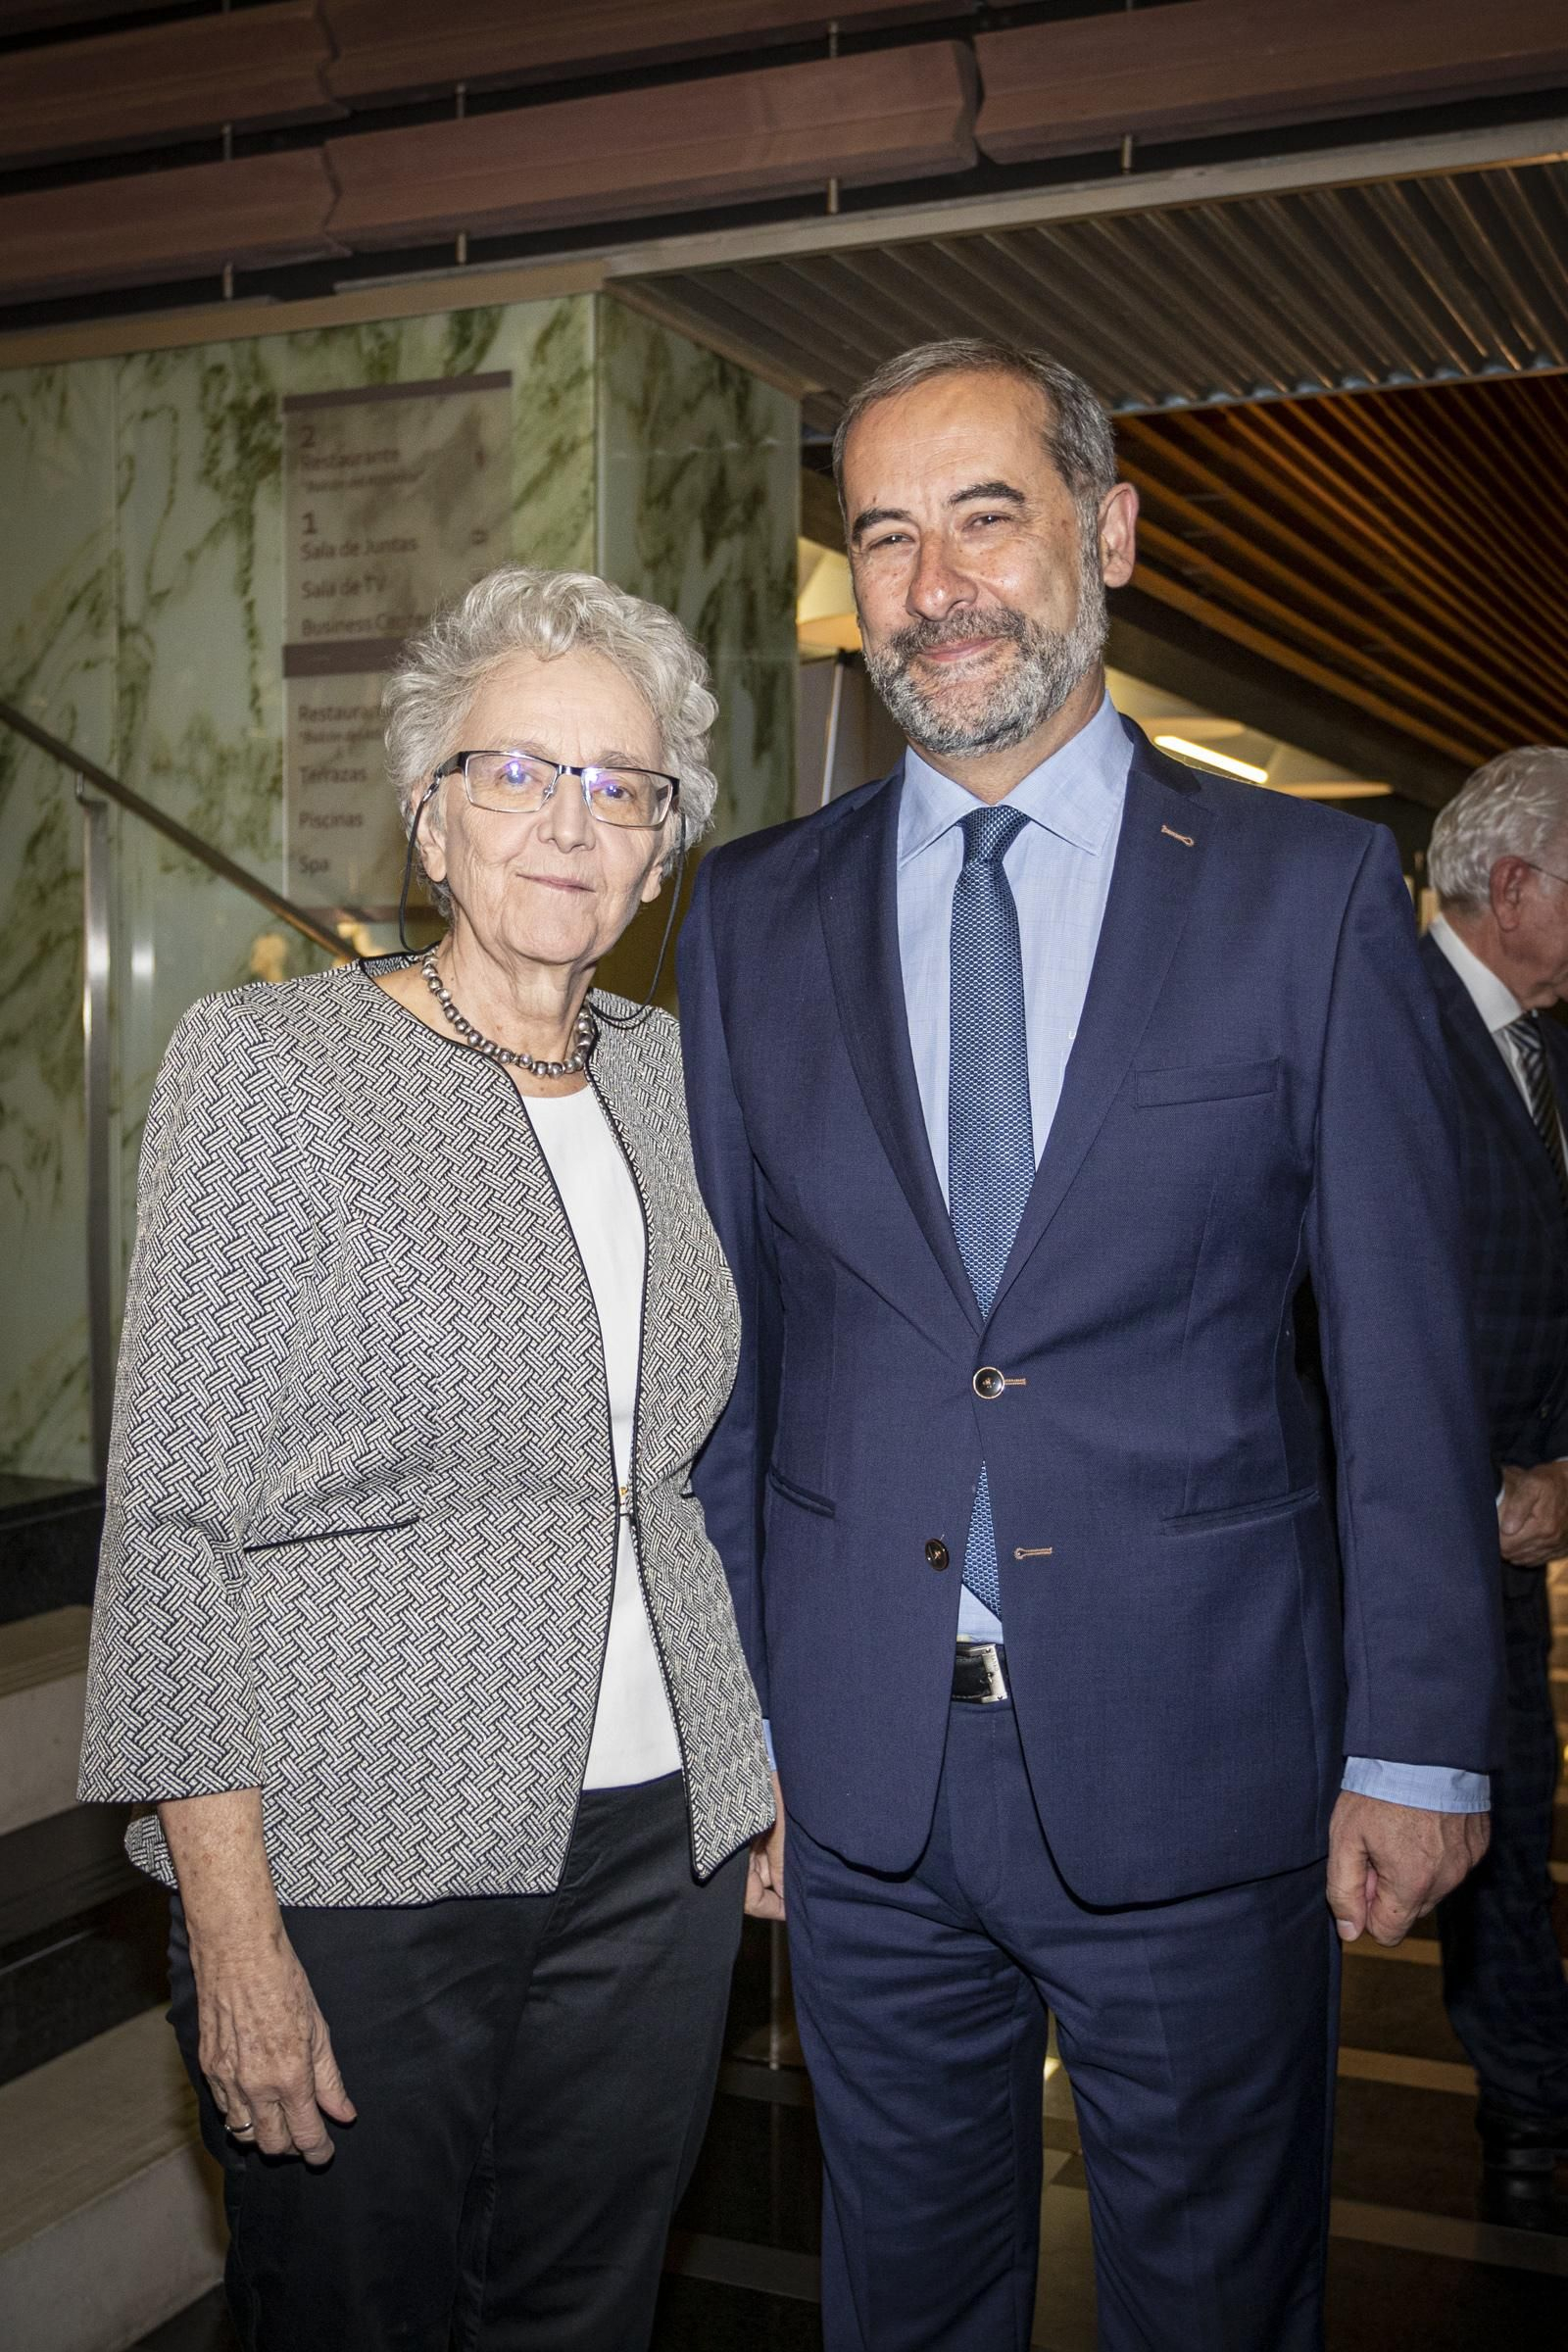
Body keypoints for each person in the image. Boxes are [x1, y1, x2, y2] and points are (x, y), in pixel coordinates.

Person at [678, 339, 1502, 2350]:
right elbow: (719, 1365)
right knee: (902, 2302)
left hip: (1202, 1764)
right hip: (856, 1779)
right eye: (883, 534)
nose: (935, 582)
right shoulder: (741, 916)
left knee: (1215, 2303)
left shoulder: (1302, 898)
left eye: (986, 515)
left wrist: (1418, 1740)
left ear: (1106, 532)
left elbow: (1405, 1355)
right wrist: (738, 1730)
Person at [77, 565, 773, 2352]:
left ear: (664, 844)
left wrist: (748, 1769)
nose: (571, 824)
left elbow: (684, 1470)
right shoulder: (274, 1065)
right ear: (429, 815)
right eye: (518, 773)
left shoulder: (681, 1081)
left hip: (657, 1853)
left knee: (586, 2310)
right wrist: (227, 1923)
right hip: (357, 1856)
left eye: (623, 787)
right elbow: (171, 1522)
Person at [1421, 747, 1568, 2213]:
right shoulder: (1378, 1030)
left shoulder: (1552, 1051)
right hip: (1382, 1539)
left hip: (1522, 1530)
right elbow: (1326, 1312)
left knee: (1515, 1825)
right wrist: (1454, 1494)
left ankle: (1532, 2118)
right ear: (1515, 884)